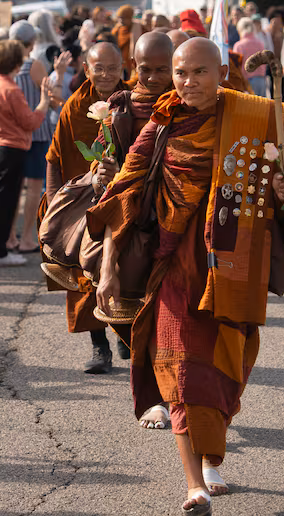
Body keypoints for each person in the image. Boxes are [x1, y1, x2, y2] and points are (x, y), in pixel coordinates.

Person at [88, 38, 284, 516]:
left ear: (222, 71)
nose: (188, 83)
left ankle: (212, 460)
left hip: (234, 264)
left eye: (199, 73)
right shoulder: (164, 123)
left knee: (228, 362)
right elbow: (124, 189)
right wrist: (107, 266)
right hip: (175, 267)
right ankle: (195, 486)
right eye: (181, 73)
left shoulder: (254, 116)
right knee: (181, 370)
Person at [86, 31, 175, 428]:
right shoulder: (119, 108)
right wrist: (101, 173)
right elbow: (103, 167)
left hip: (177, 224)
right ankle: (154, 395)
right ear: (133, 66)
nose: (154, 78)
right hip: (128, 219)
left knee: (172, 315)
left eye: (163, 70)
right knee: (129, 311)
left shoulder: (191, 105)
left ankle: (174, 395)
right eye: (146, 69)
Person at [43, 42, 128, 375]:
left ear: (124, 67)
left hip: (122, 200)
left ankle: (125, 333)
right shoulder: (75, 105)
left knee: (126, 270)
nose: (105, 75)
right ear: (86, 68)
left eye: (112, 68)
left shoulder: (132, 102)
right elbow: (54, 156)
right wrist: (53, 202)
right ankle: (99, 346)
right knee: (84, 277)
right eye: (98, 68)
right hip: (82, 204)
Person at [0, 40, 51, 267]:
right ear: (15, 62)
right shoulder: (11, 89)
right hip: (11, 148)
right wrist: (43, 103)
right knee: (6, 202)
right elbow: (30, 121)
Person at [7, 21, 52, 255]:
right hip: (36, 133)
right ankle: (27, 237)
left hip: (13, 133)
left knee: (14, 188)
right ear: (32, 42)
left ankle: (10, 237)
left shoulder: (7, 65)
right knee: (34, 188)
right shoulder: (33, 65)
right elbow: (51, 95)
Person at [233, 17, 267, 96]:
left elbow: (237, 66)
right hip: (261, 80)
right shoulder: (260, 43)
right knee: (262, 107)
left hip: (247, 81)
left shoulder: (239, 45)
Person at [112, 5, 143, 78]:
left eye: (123, 18)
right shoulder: (117, 29)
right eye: (119, 18)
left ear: (130, 18)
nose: (121, 21)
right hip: (120, 62)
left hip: (132, 62)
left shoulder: (139, 28)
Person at [267, 8, 284, 97]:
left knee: (283, 84)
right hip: (271, 63)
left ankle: (282, 103)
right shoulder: (267, 34)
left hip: (282, 63)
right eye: (274, 19)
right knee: (272, 85)